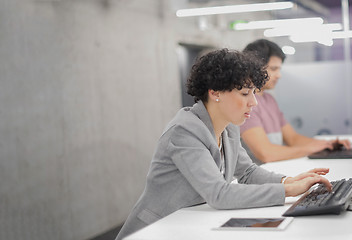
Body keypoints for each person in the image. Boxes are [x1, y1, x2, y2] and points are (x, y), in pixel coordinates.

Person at [115, 48, 332, 239]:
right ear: (215, 92)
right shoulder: (184, 131)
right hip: (156, 229)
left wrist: (289, 180)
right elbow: (218, 194)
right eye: (245, 93)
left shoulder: (229, 127)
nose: (254, 102)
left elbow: (247, 173)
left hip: (189, 224)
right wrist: (287, 191)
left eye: (254, 93)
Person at [240, 39, 351, 164]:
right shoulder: (246, 104)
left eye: (279, 69)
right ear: (255, 68)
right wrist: (310, 149)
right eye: (274, 69)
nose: (279, 75)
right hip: (254, 180)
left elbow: (293, 138)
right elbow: (266, 154)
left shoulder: (269, 100)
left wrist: (327, 144)